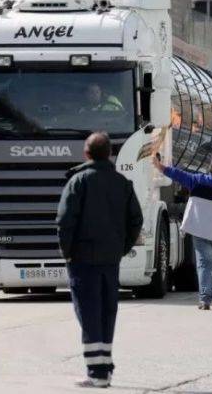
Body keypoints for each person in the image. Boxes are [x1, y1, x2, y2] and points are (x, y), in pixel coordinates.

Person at [56, 131, 143, 388]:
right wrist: (122, 247)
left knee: (88, 312)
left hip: (82, 259)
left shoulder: (78, 182)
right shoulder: (123, 183)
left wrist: (67, 252)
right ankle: (104, 367)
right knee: (107, 311)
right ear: (111, 154)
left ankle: (97, 372)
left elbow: (64, 221)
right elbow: (136, 220)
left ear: (86, 153)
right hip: (110, 258)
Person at [152, 155, 212, 309]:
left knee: (203, 264)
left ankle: (205, 299)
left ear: (210, 169)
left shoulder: (197, 181)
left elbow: (177, 174)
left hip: (200, 231)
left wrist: (158, 165)